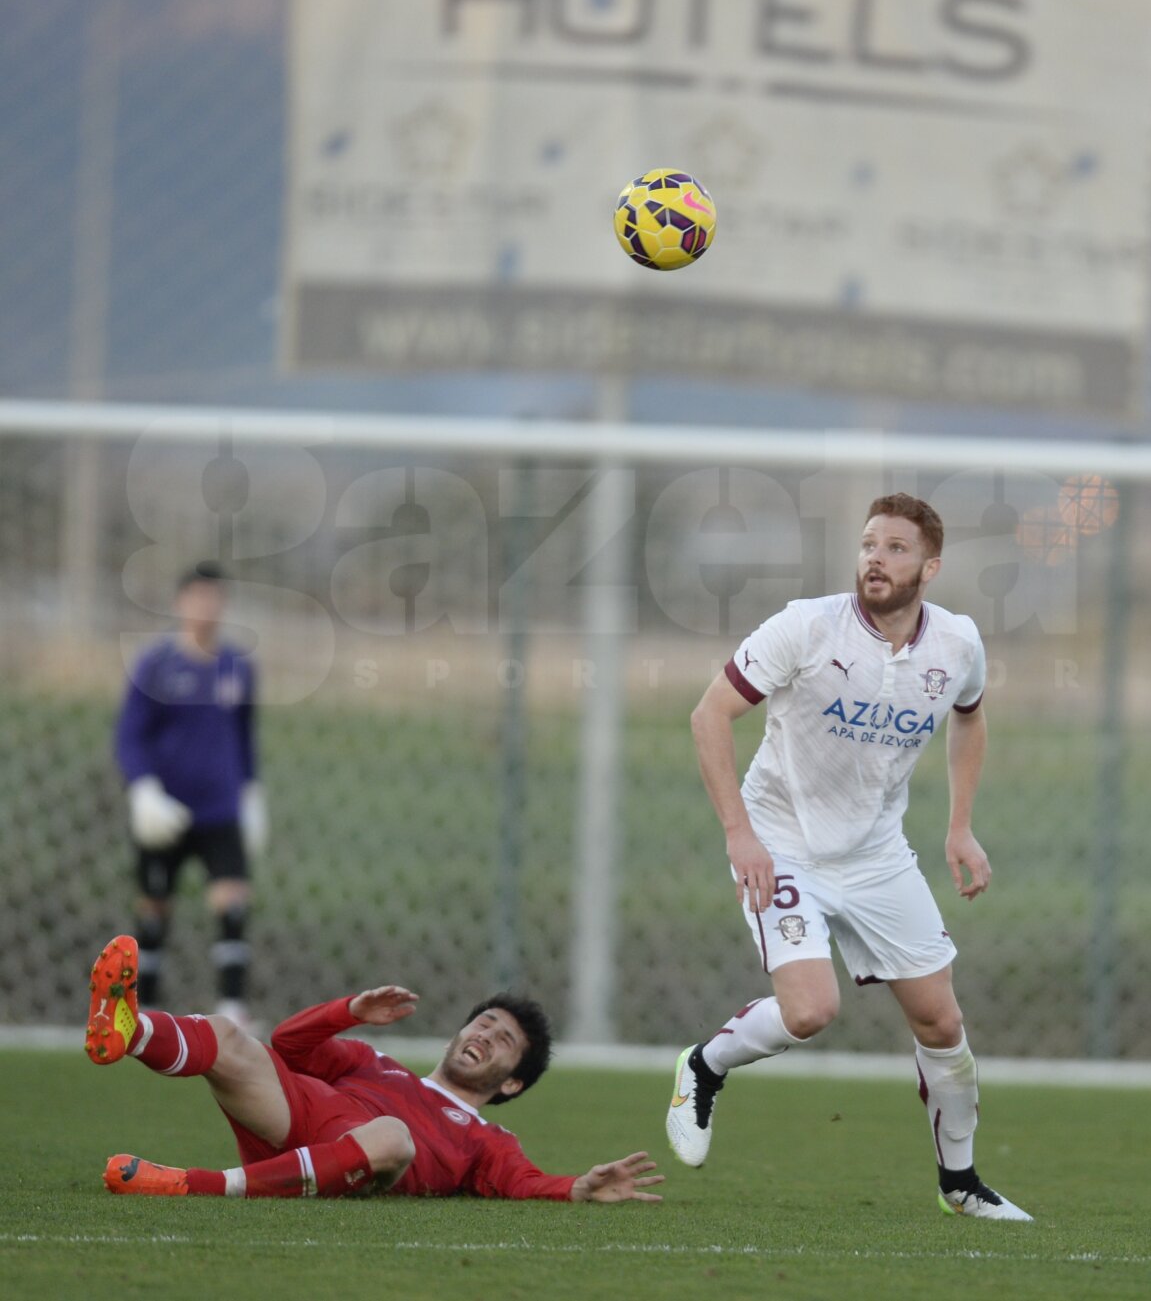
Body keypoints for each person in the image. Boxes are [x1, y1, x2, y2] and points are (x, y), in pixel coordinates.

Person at [665, 493, 1032, 1222]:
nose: (876, 558)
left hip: (876, 853)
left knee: (941, 1023)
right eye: (869, 543)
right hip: (782, 842)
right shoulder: (805, 626)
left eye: (896, 548)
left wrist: (961, 828)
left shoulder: (956, 643)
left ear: (929, 566)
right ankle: (703, 1065)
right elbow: (709, 714)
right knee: (811, 1010)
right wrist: (741, 835)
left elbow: (971, 717)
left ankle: (960, 1183)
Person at [85, 935, 664, 1204]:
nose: (486, 1035)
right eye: (484, 1023)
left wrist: (579, 1189)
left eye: (505, 1040)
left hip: (362, 1162)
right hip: (293, 1125)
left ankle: (195, 1184)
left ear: (512, 1081)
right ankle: (129, 1032)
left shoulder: (490, 1139)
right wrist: (347, 1012)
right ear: (459, 1031)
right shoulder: (375, 1064)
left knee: (392, 1136)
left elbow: (524, 1184)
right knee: (230, 1034)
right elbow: (288, 1047)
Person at [114, 563, 268, 1027]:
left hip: (219, 808)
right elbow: (130, 735)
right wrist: (142, 789)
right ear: (182, 603)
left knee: (232, 901)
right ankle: (148, 1011)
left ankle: (232, 1009)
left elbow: (244, 736)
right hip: (167, 809)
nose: (207, 608)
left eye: (215, 599)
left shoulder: (238, 667)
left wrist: (252, 792)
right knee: (155, 906)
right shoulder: (155, 665)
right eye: (199, 598)